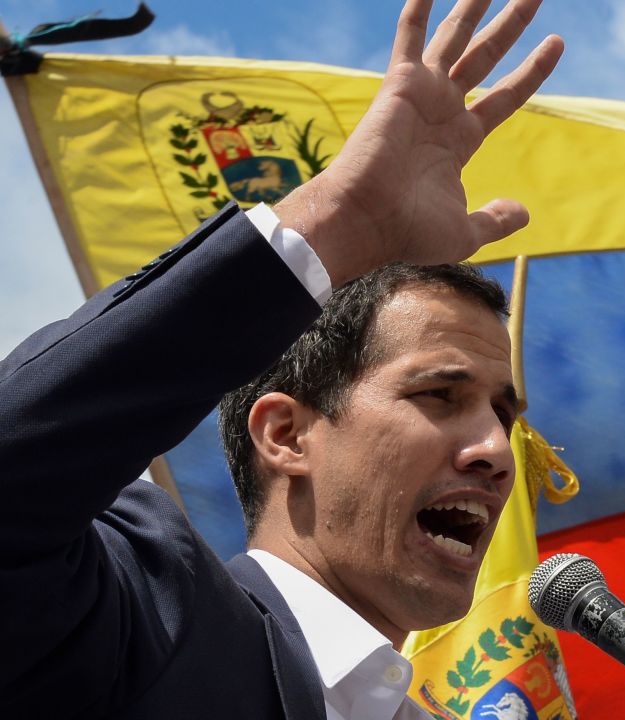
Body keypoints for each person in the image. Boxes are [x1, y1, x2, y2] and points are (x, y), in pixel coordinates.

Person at [0, 0, 563, 717]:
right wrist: (335, 223)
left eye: (502, 413)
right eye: (440, 396)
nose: (497, 450)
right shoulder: (142, 617)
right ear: (286, 434)